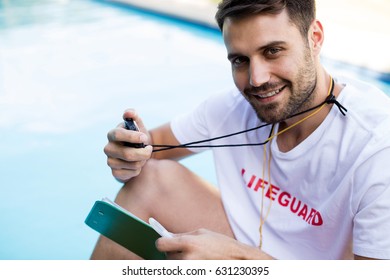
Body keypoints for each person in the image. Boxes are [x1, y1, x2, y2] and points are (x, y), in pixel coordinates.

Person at [91, 0, 390, 260]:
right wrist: (128, 151)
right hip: (248, 245)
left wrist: (241, 260)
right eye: (240, 60)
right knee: (150, 179)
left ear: (314, 38)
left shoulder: (377, 145)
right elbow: (150, 147)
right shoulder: (235, 107)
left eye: (273, 51)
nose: (257, 79)